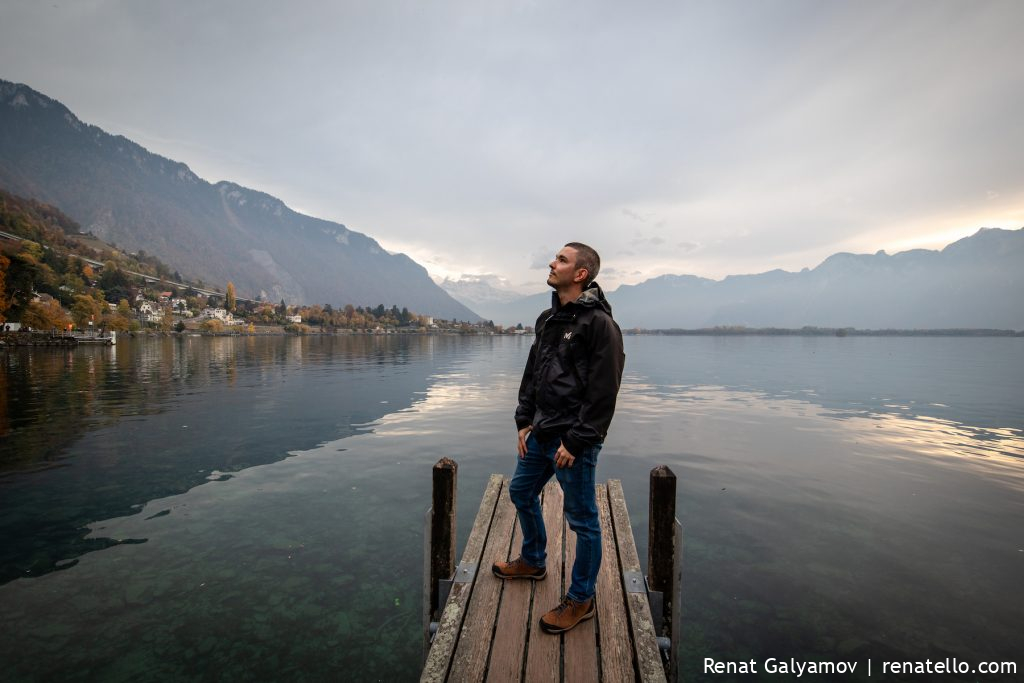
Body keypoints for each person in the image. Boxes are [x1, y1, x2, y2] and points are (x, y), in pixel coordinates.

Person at [492, 242, 625, 634]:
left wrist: (577, 441)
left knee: (583, 521)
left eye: (562, 260)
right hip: (541, 431)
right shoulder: (548, 318)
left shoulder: (600, 325)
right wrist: (523, 419)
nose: (552, 263)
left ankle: (581, 600)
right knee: (520, 492)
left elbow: (605, 392)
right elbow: (534, 372)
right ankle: (533, 560)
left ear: (580, 274)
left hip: (573, 441)